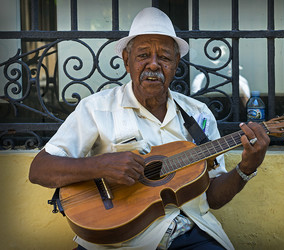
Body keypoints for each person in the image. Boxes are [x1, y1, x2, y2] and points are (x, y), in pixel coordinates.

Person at [29, 7, 270, 250]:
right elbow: (40, 169)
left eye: (164, 57)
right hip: (117, 240)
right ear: (126, 60)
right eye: (143, 55)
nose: (153, 65)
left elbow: (213, 198)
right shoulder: (96, 108)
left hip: (190, 234)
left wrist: (246, 168)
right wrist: (100, 165)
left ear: (176, 64)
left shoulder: (199, 114)